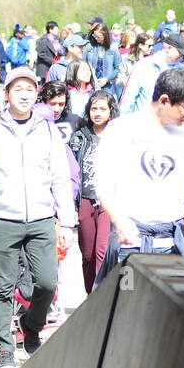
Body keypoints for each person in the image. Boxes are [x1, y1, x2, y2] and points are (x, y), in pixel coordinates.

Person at [0, 67, 76, 368]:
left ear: (36, 93)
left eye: (29, 89)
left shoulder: (48, 130)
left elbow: (60, 177)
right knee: (3, 286)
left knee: (47, 283)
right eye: (17, 89)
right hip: (4, 219)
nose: (24, 95)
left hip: (41, 219)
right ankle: (4, 350)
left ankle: (30, 324)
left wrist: (67, 221)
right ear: (7, 93)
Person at [93, 69, 184, 288]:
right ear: (164, 100)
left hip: (173, 243)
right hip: (132, 243)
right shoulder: (121, 129)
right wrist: (119, 220)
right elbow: (104, 186)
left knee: (168, 316)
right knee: (127, 312)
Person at [70, 90, 118, 293]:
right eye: (94, 108)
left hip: (109, 201)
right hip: (85, 200)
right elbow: (71, 173)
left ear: (111, 111)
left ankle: (101, 297)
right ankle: (91, 295)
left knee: (101, 251)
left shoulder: (119, 137)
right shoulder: (79, 137)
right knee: (88, 254)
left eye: (102, 109)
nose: (97, 113)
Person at [119, 31, 184, 114]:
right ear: (168, 48)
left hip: (171, 123)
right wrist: (123, 121)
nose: (181, 56)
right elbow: (129, 97)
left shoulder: (182, 70)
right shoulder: (143, 65)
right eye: (179, 52)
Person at [84, 20, 121, 98]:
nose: (96, 38)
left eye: (99, 37)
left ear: (105, 36)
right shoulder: (89, 46)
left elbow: (118, 69)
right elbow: (83, 65)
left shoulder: (113, 48)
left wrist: (106, 79)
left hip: (107, 87)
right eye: (95, 36)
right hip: (91, 85)